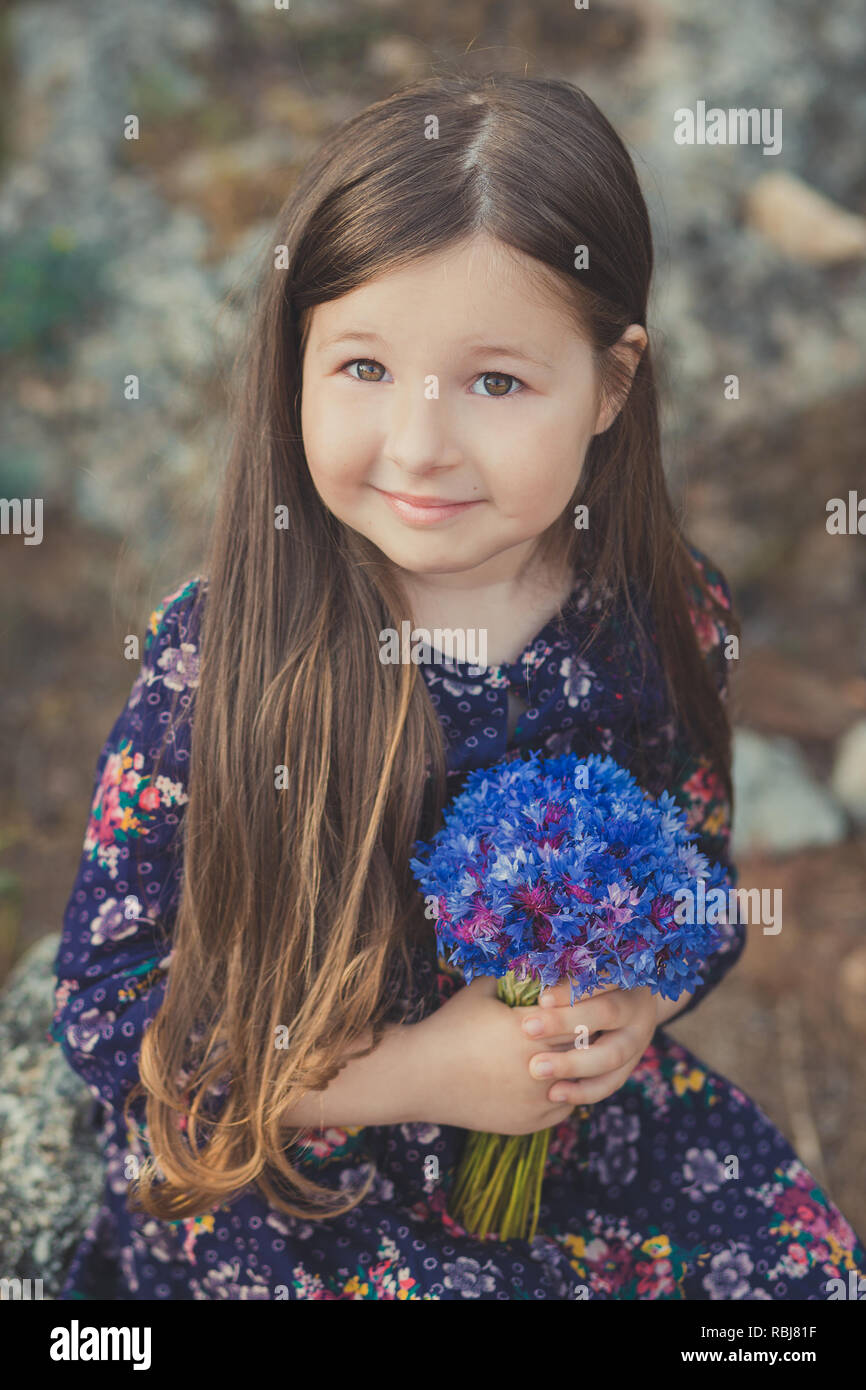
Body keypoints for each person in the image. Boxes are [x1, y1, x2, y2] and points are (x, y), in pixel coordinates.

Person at [52, 73, 865, 1300]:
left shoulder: (656, 608)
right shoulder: (225, 657)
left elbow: (691, 863)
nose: (421, 442)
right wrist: (424, 1070)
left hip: (568, 1124)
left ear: (609, 383)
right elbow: (114, 1012)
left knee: (794, 1278)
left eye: (495, 382)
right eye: (365, 366)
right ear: (295, 359)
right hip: (301, 1152)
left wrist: (634, 1003)